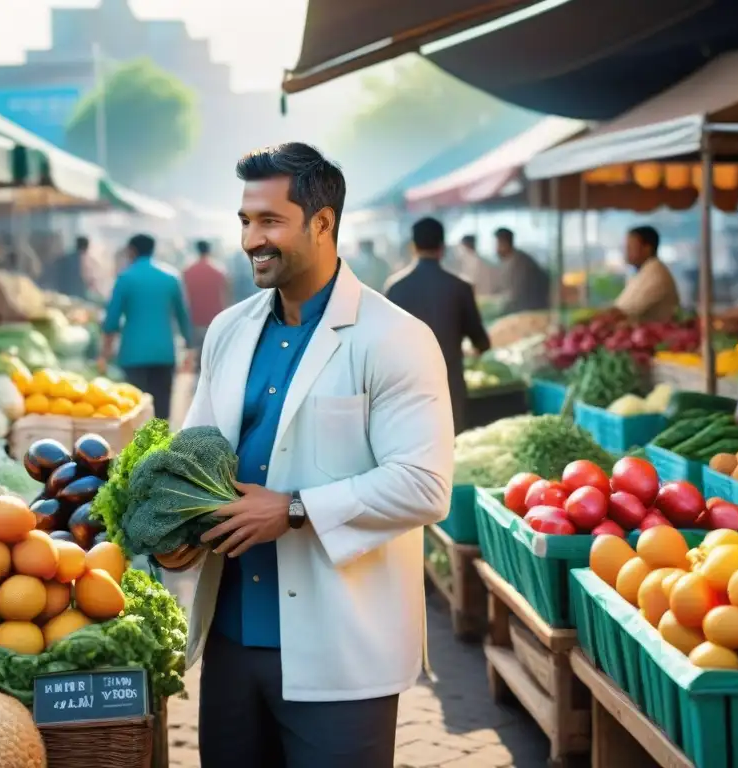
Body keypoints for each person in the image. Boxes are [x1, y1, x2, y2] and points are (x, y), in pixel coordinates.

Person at [153, 143, 453, 768]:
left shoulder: (395, 336)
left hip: (342, 647)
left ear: (322, 223)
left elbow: (424, 484)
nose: (250, 240)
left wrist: (292, 509)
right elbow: (192, 457)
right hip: (232, 642)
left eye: (269, 221)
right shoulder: (230, 330)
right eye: (244, 221)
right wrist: (173, 527)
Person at [385, 217, 491, 434]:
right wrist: (475, 350)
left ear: (413, 247)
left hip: (405, 390)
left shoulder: (395, 288)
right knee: (451, 450)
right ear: (442, 248)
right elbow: (481, 341)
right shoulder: (460, 287)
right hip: (449, 387)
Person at [98, 234, 192, 421]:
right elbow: (183, 316)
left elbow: (111, 321)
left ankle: (139, 449)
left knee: (136, 409)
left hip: (133, 353)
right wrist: (189, 348)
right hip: (164, 351)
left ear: (132, 251)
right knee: (162, 408)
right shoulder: (171, 277)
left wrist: (105, 353)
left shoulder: (125, 278)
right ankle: (161, 448)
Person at [604, 226, 681, 323]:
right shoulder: (644, 271)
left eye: (630, 247)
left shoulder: (655, 275)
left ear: (647, 248)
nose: (626, 251)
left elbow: (623, 311)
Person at [182, 240, 228, 370]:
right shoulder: (219, 271)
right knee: (212, 356)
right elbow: (226, 295)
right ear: (210, 250)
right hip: (215, 318)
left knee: (198, 356)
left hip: (195, 317)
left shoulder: (188, 271)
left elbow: (184, 298)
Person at [494, 227, 550, 313]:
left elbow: (515, 295)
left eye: (498, 244)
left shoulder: (521, 262)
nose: (496, 249)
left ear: (505, 243)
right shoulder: (510, 260)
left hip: (530, 311)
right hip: (522, 309)